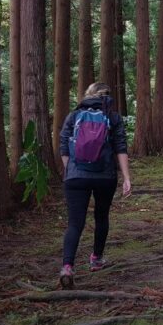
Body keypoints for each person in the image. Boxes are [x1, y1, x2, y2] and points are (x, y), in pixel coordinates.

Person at [58, 83, 132, 289]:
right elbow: (121, 147)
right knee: (101, 217)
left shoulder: (74, 116)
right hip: (105, 176)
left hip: (75, 176)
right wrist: (126, 177)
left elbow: (64, 146)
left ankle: (67, 266)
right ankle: (96, 259)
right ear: (107, 97)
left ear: (87, 95)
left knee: (75, 223)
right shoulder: (113, 118)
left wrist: (70, 170)